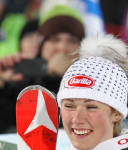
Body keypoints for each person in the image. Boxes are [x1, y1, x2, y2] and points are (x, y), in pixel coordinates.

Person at [0, 4, 85, 133]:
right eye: (54, 40)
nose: (62, 48)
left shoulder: (92, 85)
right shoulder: (20, 80)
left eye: (72, 41)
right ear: (41, 45)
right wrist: (2, 85)